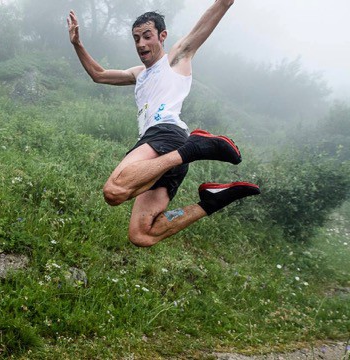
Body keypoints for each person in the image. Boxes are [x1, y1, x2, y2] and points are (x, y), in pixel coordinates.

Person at [67, 0, 260, 248]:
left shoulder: (176, 59)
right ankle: (212, 201)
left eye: (147, 36)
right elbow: (99, 75)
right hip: (169, 156)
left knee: (114, 190)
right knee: (141, 235)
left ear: (162, 36)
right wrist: (77, 44)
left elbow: (215, 12)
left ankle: (195, 148)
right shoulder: (138, 74)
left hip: (166, 134)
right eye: (136, 38)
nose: (141, 44)